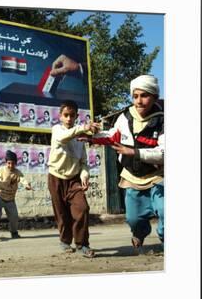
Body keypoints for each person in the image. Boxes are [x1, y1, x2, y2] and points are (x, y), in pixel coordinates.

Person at [88, 75, 164, 252]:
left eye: (144, 95)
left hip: (158, 176)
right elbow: (112, 136)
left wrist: (134, 152)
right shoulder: (125, 117)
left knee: (166, 211)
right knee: (134, 219)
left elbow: (165, 152)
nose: (139, 101)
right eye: (135, 96)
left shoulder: (162, 120)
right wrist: (92, 135)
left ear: (154, 96)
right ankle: (140, 233)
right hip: (132, 177)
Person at [48, 99, 97, 258]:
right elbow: (63, 138)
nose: (69, 118)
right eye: (66, 115)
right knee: (62, 214)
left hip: (74, 180)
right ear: (60, 116)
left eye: (72, 115)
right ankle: (65, 241)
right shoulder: (57, 129)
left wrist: (84, 175)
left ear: (76, 116)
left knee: (82, 208)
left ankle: (82, 244)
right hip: (56, 178)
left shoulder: (80, 138)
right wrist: (84, 127)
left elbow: (83, 162)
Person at [0, 150, 32, 239]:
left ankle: (14, 232)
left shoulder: (17, 173)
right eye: (9, 163)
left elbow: (23, 179)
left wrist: (27, 185)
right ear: (6, 162)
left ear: (16, 163)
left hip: (10, 199)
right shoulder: (1, 170)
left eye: (13, 163)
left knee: (14, 216)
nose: (11, 165)